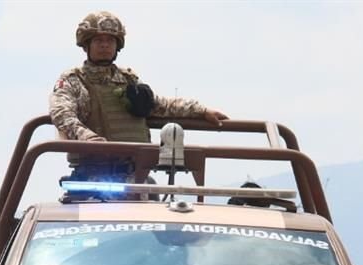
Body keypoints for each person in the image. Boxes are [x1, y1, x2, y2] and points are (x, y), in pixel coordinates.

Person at [49, 11, 228, 176]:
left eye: (110, 41)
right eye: (98, 41)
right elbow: (62, 114)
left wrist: (201, 111)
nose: (105, 45)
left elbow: (159, 105)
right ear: (86, 45)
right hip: (92, 173)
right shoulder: (75, 80)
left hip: (136, 173)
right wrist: (87, 137)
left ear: (117, 46)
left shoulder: (128, 80)